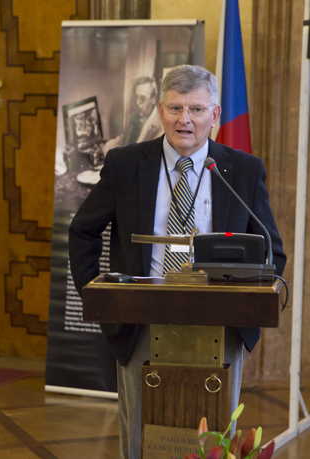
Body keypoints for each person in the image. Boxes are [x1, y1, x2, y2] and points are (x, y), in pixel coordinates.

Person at [69, 65, 286, 459]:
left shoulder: (242, 171)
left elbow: (273, 249)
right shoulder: (124, 164)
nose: (185, 119)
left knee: (214, 442)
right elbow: (83, 230)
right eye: (175, 108)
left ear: (215, 115)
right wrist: (97, 296)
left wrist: (249, 303)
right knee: (140, 442)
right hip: (139, 322)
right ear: (159, 110)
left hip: (221, 324)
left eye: (196, 109)